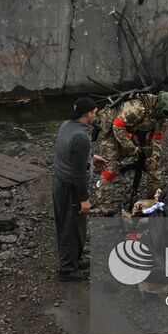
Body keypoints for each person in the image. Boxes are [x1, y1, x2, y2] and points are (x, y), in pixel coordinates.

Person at [92, 90, 168, 215]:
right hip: (112, 131)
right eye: (164, 114)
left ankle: (154, 193)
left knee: (152, 163)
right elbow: (117, 126)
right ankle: (104, 202)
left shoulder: (160, 117)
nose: (164, 117)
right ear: (158, 106)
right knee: (109, 168)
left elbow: (157, 138)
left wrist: (154, 157)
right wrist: (132, 148)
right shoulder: (138, 108)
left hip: (131, 131)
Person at [52, 96, 104, 281]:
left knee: (77, 226)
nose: (96, 116)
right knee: (69, 227)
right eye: (95, 113)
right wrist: (84, 199)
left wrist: (91, 158)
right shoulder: (81, 137)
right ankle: (67, 270)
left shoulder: (67, 125)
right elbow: (78, 173)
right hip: (70, 188)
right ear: (87, 114)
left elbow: (70, 153)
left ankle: (75, 258)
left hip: (61, 183)